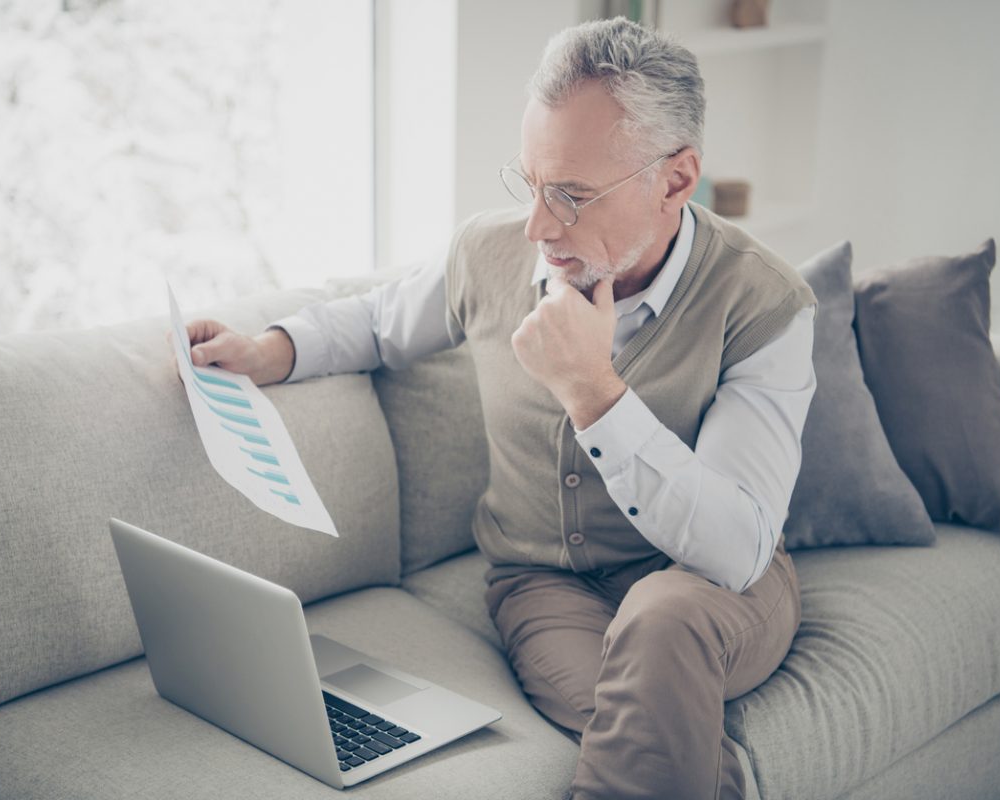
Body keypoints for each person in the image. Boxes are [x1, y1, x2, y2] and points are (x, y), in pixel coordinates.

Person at [183, 17, 817, 800]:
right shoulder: (488, 254)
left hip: (712, 591)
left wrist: (594, 392)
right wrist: (270, 350)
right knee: (649, 733)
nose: (539, 228)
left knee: (662, 621)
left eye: (573, 196)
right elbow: (380, 321)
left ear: (677, 180)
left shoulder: (765, 303)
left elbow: (734, 548)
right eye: (530, 183)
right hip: (545, 589)